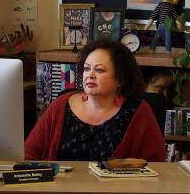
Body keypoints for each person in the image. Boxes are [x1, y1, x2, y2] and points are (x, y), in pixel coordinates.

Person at [25, 39, 167, 162]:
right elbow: (29, 154)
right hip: (61, 190)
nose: (90, 75)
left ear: (120, 79)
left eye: (99, 70)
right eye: (86, 69)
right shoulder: (61, 105)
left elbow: (157, 166)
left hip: (115, 192)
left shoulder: (139, 112)